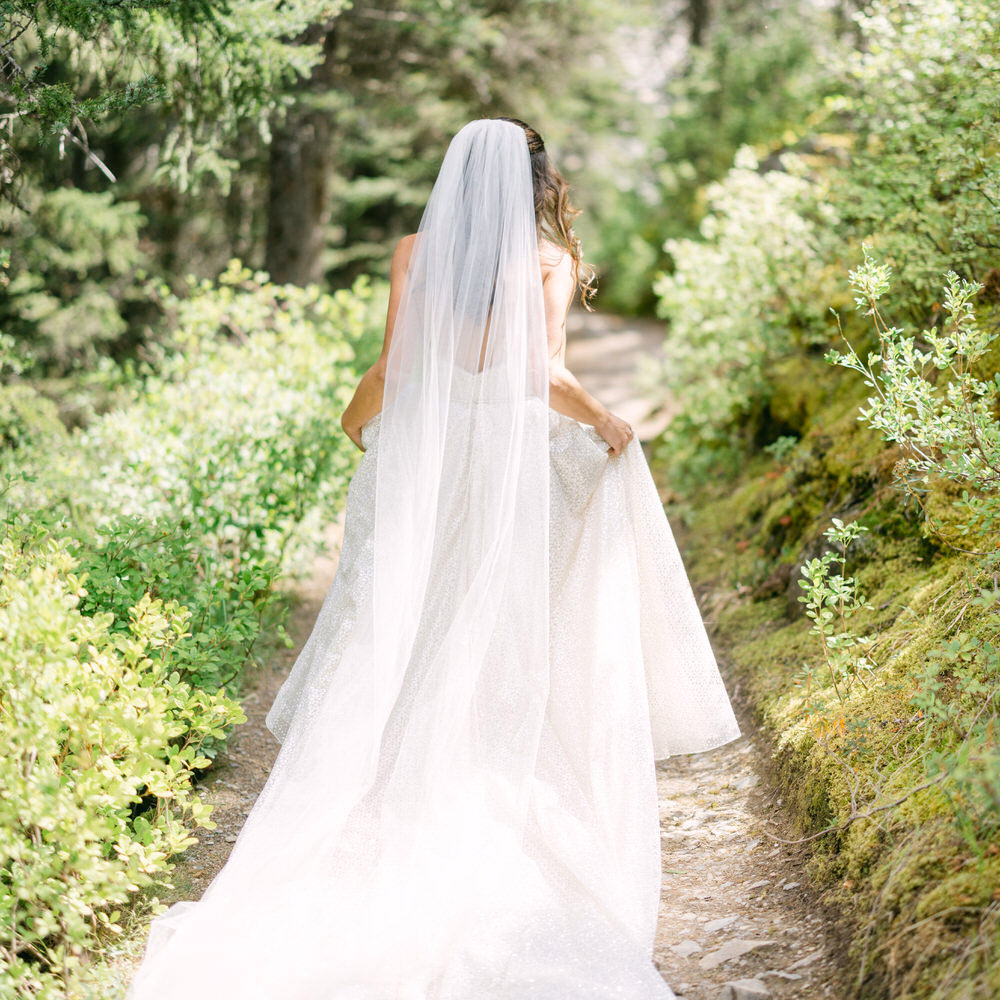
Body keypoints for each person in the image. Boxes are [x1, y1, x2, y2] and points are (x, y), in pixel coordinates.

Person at [126, 118, 740, 1000]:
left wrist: (359, 427)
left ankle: (393, 797)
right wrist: (603, 418)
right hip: (504, 474)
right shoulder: (547, 263)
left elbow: (394, 368)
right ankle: (483, 783)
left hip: (423, 465)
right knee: (493, 633)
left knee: (408, 629)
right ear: (534, 183)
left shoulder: (414, 250)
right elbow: (539, 376)